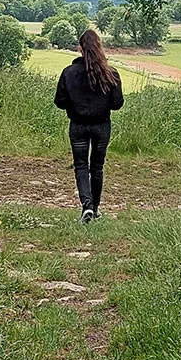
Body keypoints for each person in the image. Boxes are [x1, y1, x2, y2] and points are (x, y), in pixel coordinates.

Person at [53, 27, 124, 222]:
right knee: (97, 166)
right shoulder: (111, 73)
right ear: (99, 47)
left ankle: (86, 206)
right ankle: (96, 207)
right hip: (102, 126)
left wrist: (74, 103)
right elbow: (117, 104)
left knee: (81, 166)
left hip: (78, 125)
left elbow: (59, 102)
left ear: (80, 48)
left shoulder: (68, 72)